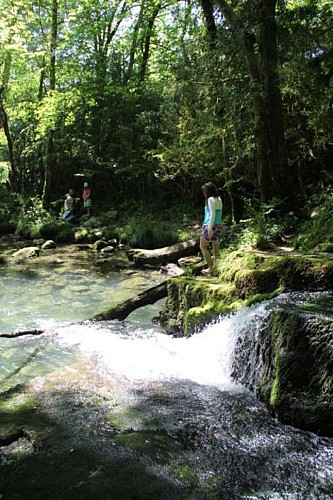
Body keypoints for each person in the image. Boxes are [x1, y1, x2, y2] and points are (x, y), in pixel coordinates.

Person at [200, 182, 223, 276]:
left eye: (205, 191)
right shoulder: (219, 199)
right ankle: (216, 270)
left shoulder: (210, 199)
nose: (204, 193)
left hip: (210, 225)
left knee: (203, 246)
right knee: (216, 250)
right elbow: (218, 214)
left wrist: (209, 227)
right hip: (218, 225)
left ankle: (210, 269)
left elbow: (212, 214)